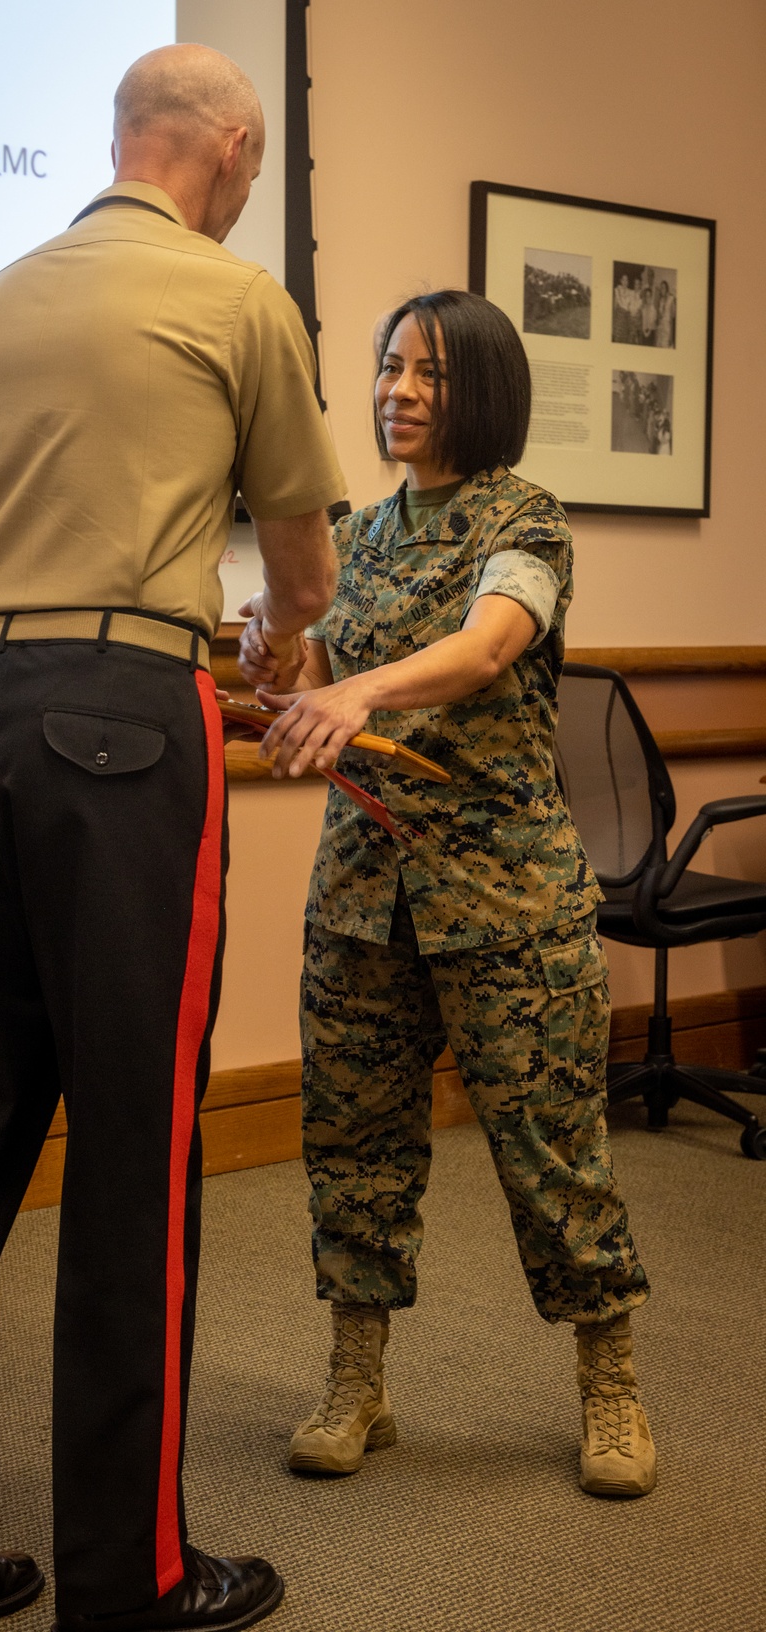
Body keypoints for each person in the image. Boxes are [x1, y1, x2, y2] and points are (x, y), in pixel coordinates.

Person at [0, 43, 344, 1632]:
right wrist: (269, 647)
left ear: (120, 137)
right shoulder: (238, 300)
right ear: (236, 151)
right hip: (126, 724)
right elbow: (304, 577)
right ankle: (134, 1576)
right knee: (134, 1149)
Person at [239, 290, 657, 1502]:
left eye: (425, 371)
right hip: (364, 894)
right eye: (385, 368)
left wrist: (360, 695)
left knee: (551, 1149)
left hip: (505, 893)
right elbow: (310, 672)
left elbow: (485, 648)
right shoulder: (360, 532)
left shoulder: (525, 519)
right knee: (354, 1144)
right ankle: (355, 1382)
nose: (398, 391)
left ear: (480, 386)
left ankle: (610, 1386)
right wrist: (282, 659)